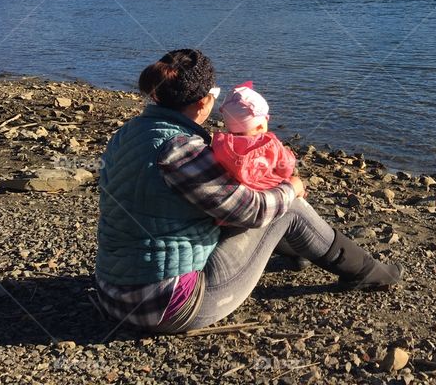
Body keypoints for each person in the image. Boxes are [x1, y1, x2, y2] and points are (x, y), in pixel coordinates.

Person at [94, 49, 402, 334]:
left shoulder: (128, 133)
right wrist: (291, 187)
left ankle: (300, 252)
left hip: (111, 290)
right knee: (287, 204)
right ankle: (366, 271)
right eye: (214, 94)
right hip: (166, 307)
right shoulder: (181, 150)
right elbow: (253, 211)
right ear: (204, 102)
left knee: (248, 198)